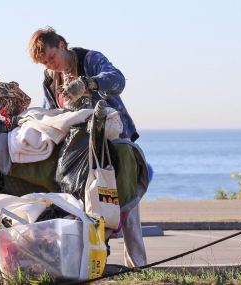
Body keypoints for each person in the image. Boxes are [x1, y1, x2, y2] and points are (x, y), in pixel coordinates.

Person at [28, 27, 148, 267]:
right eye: (44, 63)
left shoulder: (90, 59)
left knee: (127, 204)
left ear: (62, 45)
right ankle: (90, 263)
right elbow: (52, 112)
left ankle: (139, 267)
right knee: (85, 206)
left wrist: (88, 83)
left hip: (113, 141)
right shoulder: (51, 79)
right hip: (79, 152)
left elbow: (118, 79)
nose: (51, 66)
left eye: (51, 58)